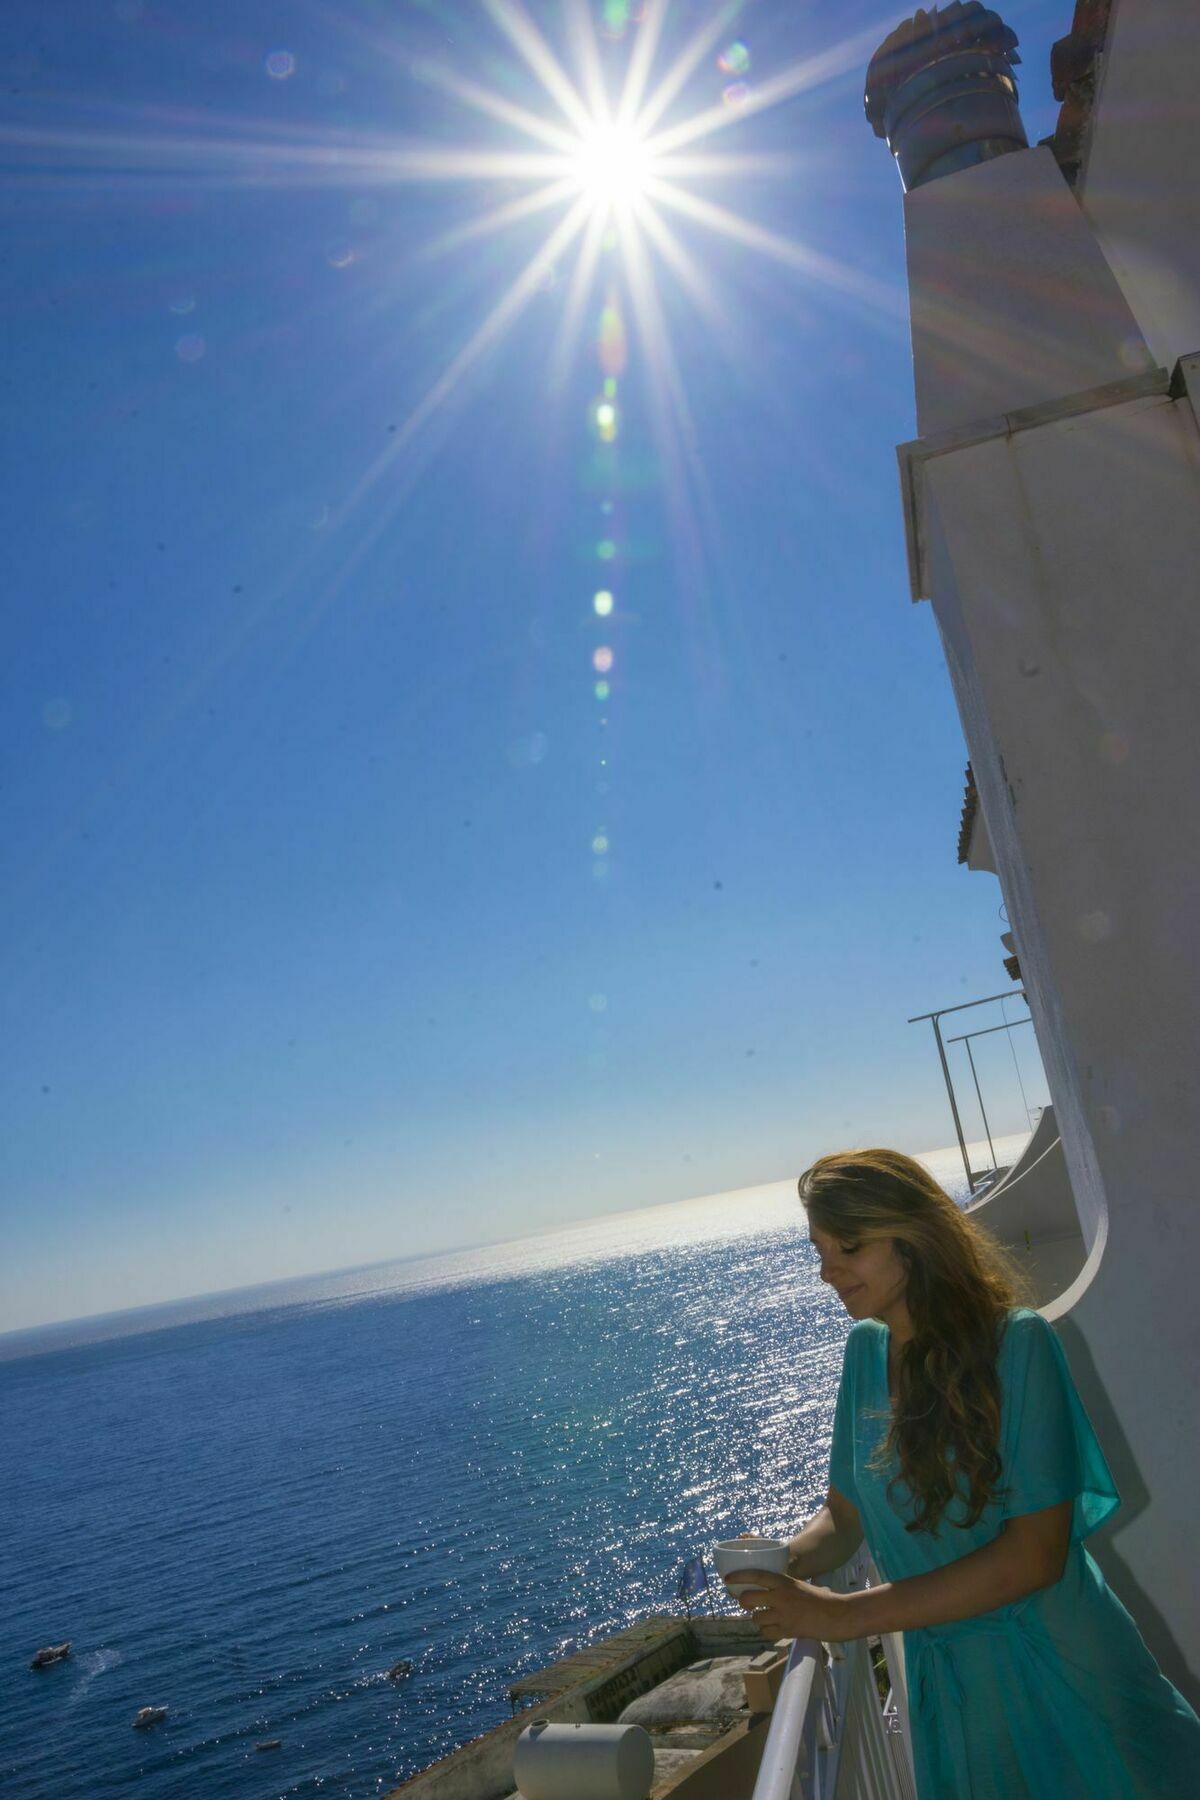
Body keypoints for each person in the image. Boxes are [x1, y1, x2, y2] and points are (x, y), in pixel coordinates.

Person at [724, 1148, 1200, 1797]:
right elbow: (845, 1513)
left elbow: (1034, 1557)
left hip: (1057, 1663)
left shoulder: (1018, 1344)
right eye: (820, 1248)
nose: (826, 1271)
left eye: (849, 1246)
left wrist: (840, 1616)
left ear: (913, 1240)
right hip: (950, 1685)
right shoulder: (866, 1353)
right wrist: (785, 1562)